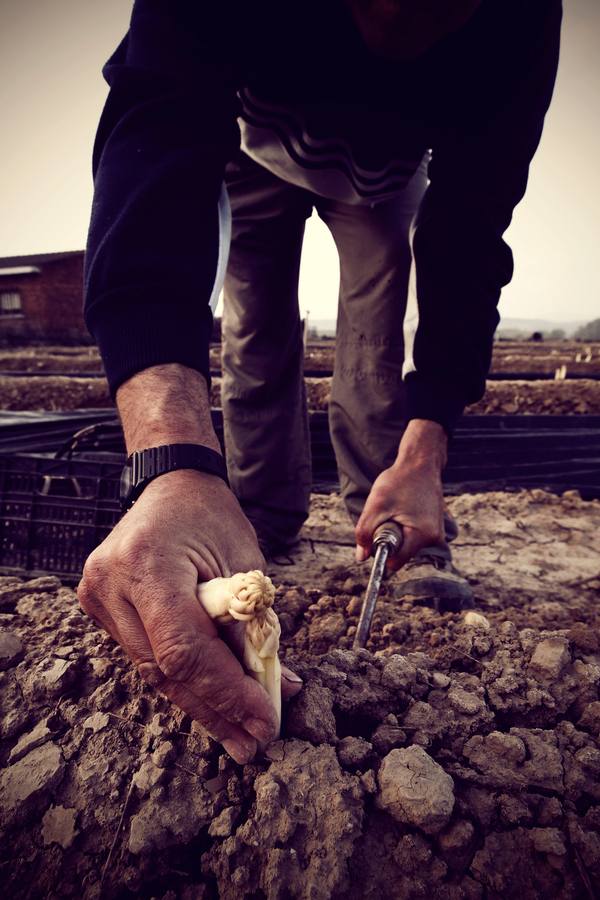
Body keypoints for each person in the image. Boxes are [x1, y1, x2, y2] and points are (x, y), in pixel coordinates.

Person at [80, 0, 562, 763]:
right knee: (253, 336)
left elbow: (471, 232)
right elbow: (157, 127)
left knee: (374, 345)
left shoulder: (521, 21)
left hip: (384, 178)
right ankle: (258, 521)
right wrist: (169, 461)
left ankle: (394, 532)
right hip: (249, 149)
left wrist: (427, 446)